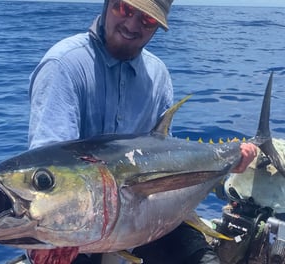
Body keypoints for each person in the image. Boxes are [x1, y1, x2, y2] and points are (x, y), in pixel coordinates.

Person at [27, 0, 257, 263]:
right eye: (124, 8)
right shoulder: (64, 66)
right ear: (107, 3)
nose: (132, 24)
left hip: (144, 218)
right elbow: (52, 171)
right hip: (82, 228)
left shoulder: (158, 75)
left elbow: (163, 150)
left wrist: (227, 163)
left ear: (158, 26)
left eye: (147, 20)